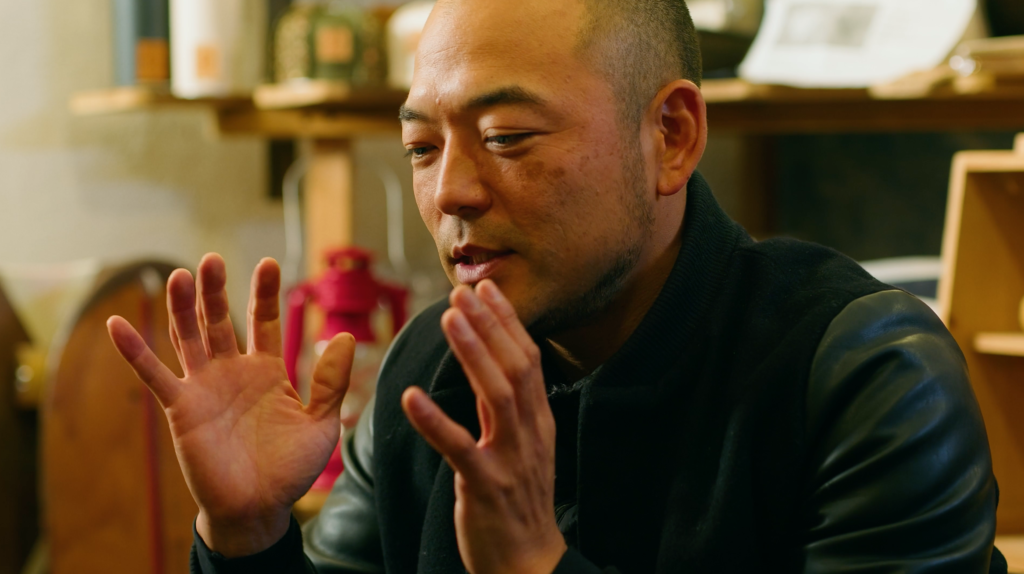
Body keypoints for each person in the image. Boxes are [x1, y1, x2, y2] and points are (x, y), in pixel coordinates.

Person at [107, 0, 1005, 572]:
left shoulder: (862, 377)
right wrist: (248, 535)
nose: (450, 190)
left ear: (672, 136)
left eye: (505, 136)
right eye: (421, 147)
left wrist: (536, 564)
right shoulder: (428, 373)